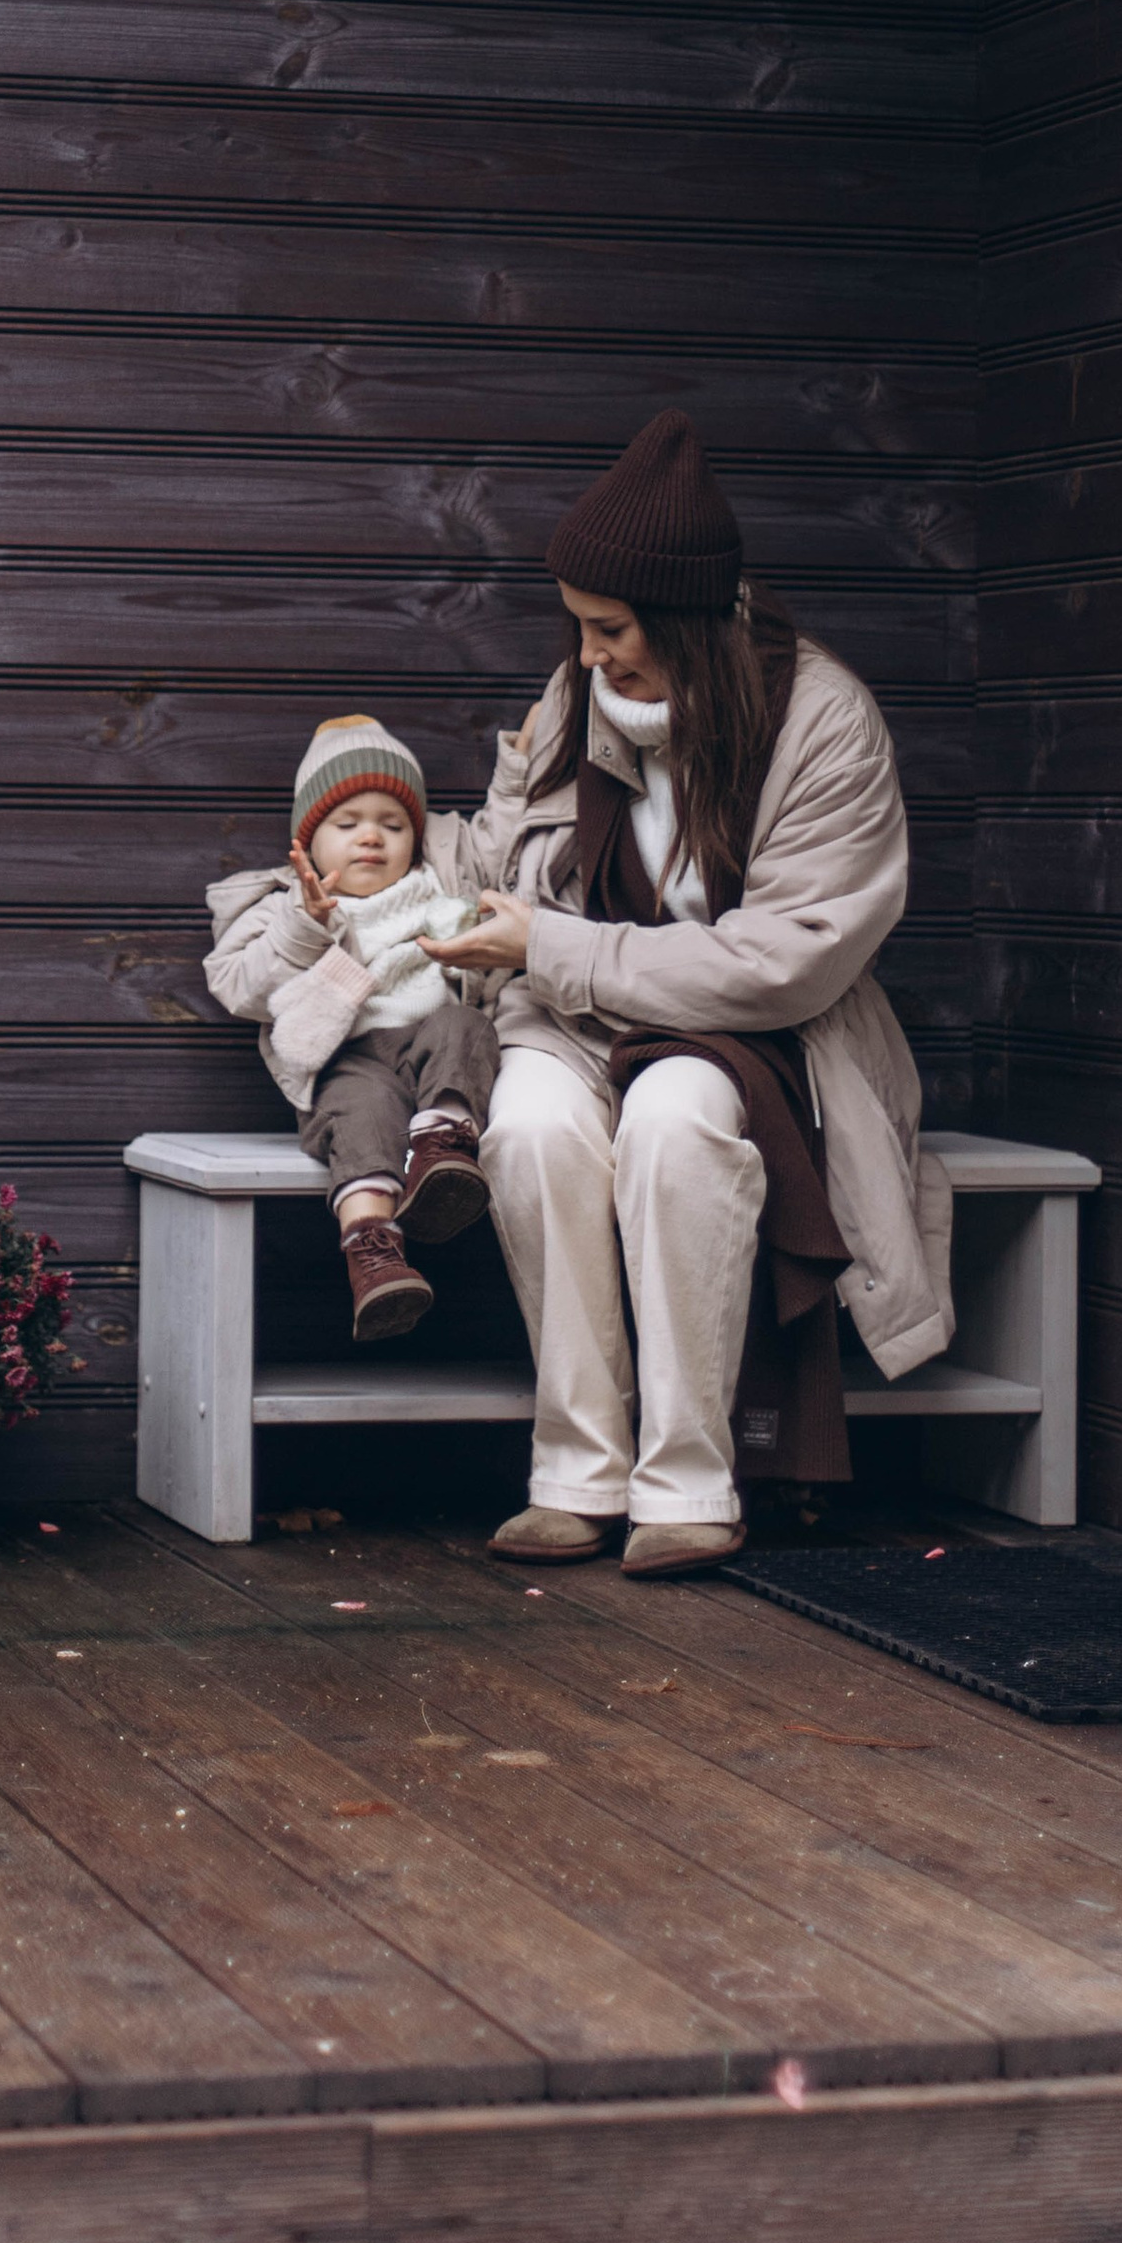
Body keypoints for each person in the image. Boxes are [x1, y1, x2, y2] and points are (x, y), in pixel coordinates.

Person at [423, 412, 953, 1577]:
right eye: (576, 629)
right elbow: (515, 870)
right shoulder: (578, 698)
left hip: (756, 1035)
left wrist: (553, 947)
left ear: (684, 622)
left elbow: (784, 964)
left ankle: (689, 1482)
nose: (590, 654)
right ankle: (574, 1472)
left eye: (611, 631)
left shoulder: (823, 721)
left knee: (672, 1126)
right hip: (571, 1019)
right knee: (531, 1131)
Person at [204, 713, 497, 1341]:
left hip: (428, 1052)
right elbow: (239, 987)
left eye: (392, 825)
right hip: (348, 1058)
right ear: (308, 841)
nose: (372, 838)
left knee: (465, 1025)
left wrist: (522, 768)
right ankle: (374, 1256)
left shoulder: (437, 889)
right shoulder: (286, 907)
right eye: (348, 823)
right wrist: (304, 925)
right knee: (359, 1113)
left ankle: (442, 1158)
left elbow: (500, 842)